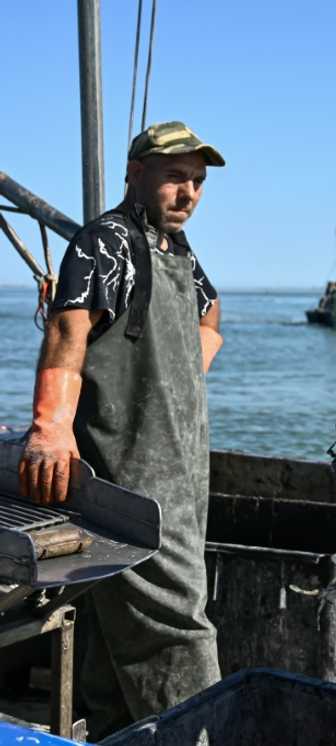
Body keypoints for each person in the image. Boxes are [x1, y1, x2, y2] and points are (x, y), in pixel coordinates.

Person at [17, 121, 226, 738]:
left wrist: (181, 367)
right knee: (178, 627)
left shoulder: (178, 253)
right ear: (135, 174)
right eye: (173, 177)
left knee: (113, 634)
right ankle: (204, 733)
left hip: (184, 474)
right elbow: (67, 328)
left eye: (197, 181)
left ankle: (114, 732)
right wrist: (51, 428)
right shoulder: (107, 241)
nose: (187, 193)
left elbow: (210, 313)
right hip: (131, 479)